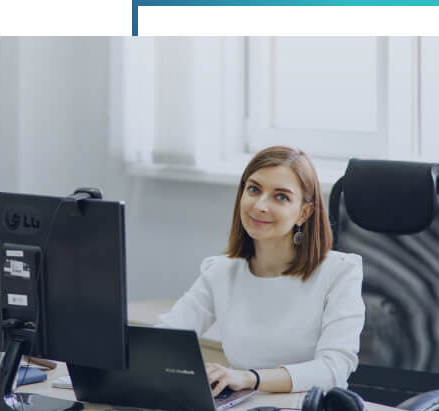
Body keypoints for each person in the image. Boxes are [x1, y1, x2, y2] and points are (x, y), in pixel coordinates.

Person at [156, 146, 365, 396]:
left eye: (281, 197)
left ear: (304, 212)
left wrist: (249, 378)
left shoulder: (339, 273)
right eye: (254, 189)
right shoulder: (220, 272)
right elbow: (165, 340)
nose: (260, 206)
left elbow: (334, 368)